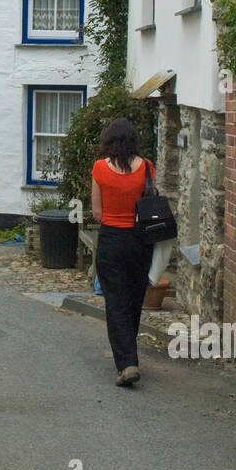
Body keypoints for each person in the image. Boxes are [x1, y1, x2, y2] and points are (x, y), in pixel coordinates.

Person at [90, 118, 154, 387]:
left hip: (112, 240)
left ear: (109, 141)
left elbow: (96, 212)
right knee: (134, 298)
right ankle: (130, 355)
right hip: (140, 241)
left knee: (115, 301)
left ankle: (127, 363)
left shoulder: (100, 168)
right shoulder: (147, 167)